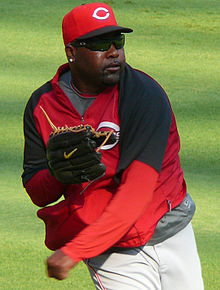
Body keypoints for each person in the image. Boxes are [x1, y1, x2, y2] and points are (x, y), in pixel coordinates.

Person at [22, 2, 204, 289]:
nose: (113, 52)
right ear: (71, 52)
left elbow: (137, 192)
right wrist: (59, 174)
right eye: (99, 44)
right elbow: (37, 190)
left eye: (117, 41)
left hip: (171, 232)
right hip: (112, 250)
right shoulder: (42, 107)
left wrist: (74, 252)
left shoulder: (144, 96)